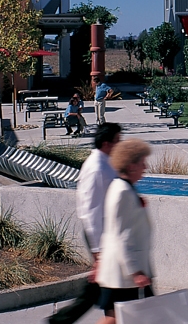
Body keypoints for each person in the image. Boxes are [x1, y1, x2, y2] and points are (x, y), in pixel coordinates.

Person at [48, 123, 122, 324]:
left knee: (100, 290)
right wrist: (98, 252)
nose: (120, 144)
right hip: (101, 238)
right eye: (118, 140)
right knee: (107, 292)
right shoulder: (95, 167)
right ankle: (60, 321)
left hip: (107, 237)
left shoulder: (105, 162)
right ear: (107, 143)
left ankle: (61, 321)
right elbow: (90, 211)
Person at [97, 139, 154, 323]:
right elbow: (121, 236)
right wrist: (136, 272)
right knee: (114, 320)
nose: (145, 166)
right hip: (123, 274)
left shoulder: (122, 188)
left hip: (123, 272)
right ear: (131, 166)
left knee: (115, 319)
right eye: (142, 162)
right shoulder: (122, 192)